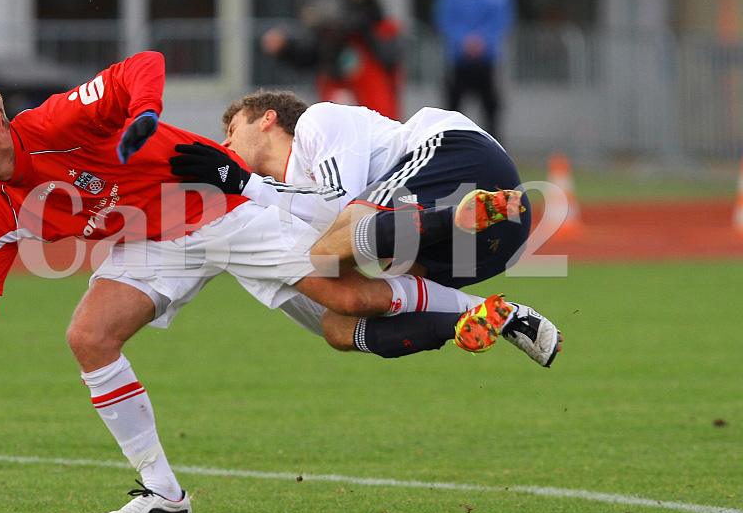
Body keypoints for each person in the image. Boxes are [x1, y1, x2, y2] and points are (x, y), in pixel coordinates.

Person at [0, 52, 500, 513]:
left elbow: (142, 66)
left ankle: (493, 311)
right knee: (89, 337)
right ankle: (163, 494)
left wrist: (145, 113)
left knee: (347, 302)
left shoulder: (53, 123)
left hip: (218, 205)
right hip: (149, 245)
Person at [171, 90, 560, 365]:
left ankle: (455, 214)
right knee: (338, 327)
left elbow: (339, 206)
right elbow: (332, 273)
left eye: (233, 128)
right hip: (494, 242)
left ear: (268, 118)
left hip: (461, 159)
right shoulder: (273, 198)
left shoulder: (316, 123)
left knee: (327, 251)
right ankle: (498, 317)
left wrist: (242, 183)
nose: (226, 141)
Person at [261, 0, 403, 120]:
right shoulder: (332, 34)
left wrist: (362, 18)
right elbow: (310, 57)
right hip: (338, 110)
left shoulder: (384, 27)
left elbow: (388, 56)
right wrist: (286, 49)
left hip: (378, 112)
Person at [434, 0, 514, 140]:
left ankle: (495, 151)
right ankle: (449, 150)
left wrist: (483, 40)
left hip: (487, 60)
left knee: (492, 109)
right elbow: (444, 17)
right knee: (451, 109)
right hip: (458, 59)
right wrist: (463, 40)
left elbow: (503, 19)